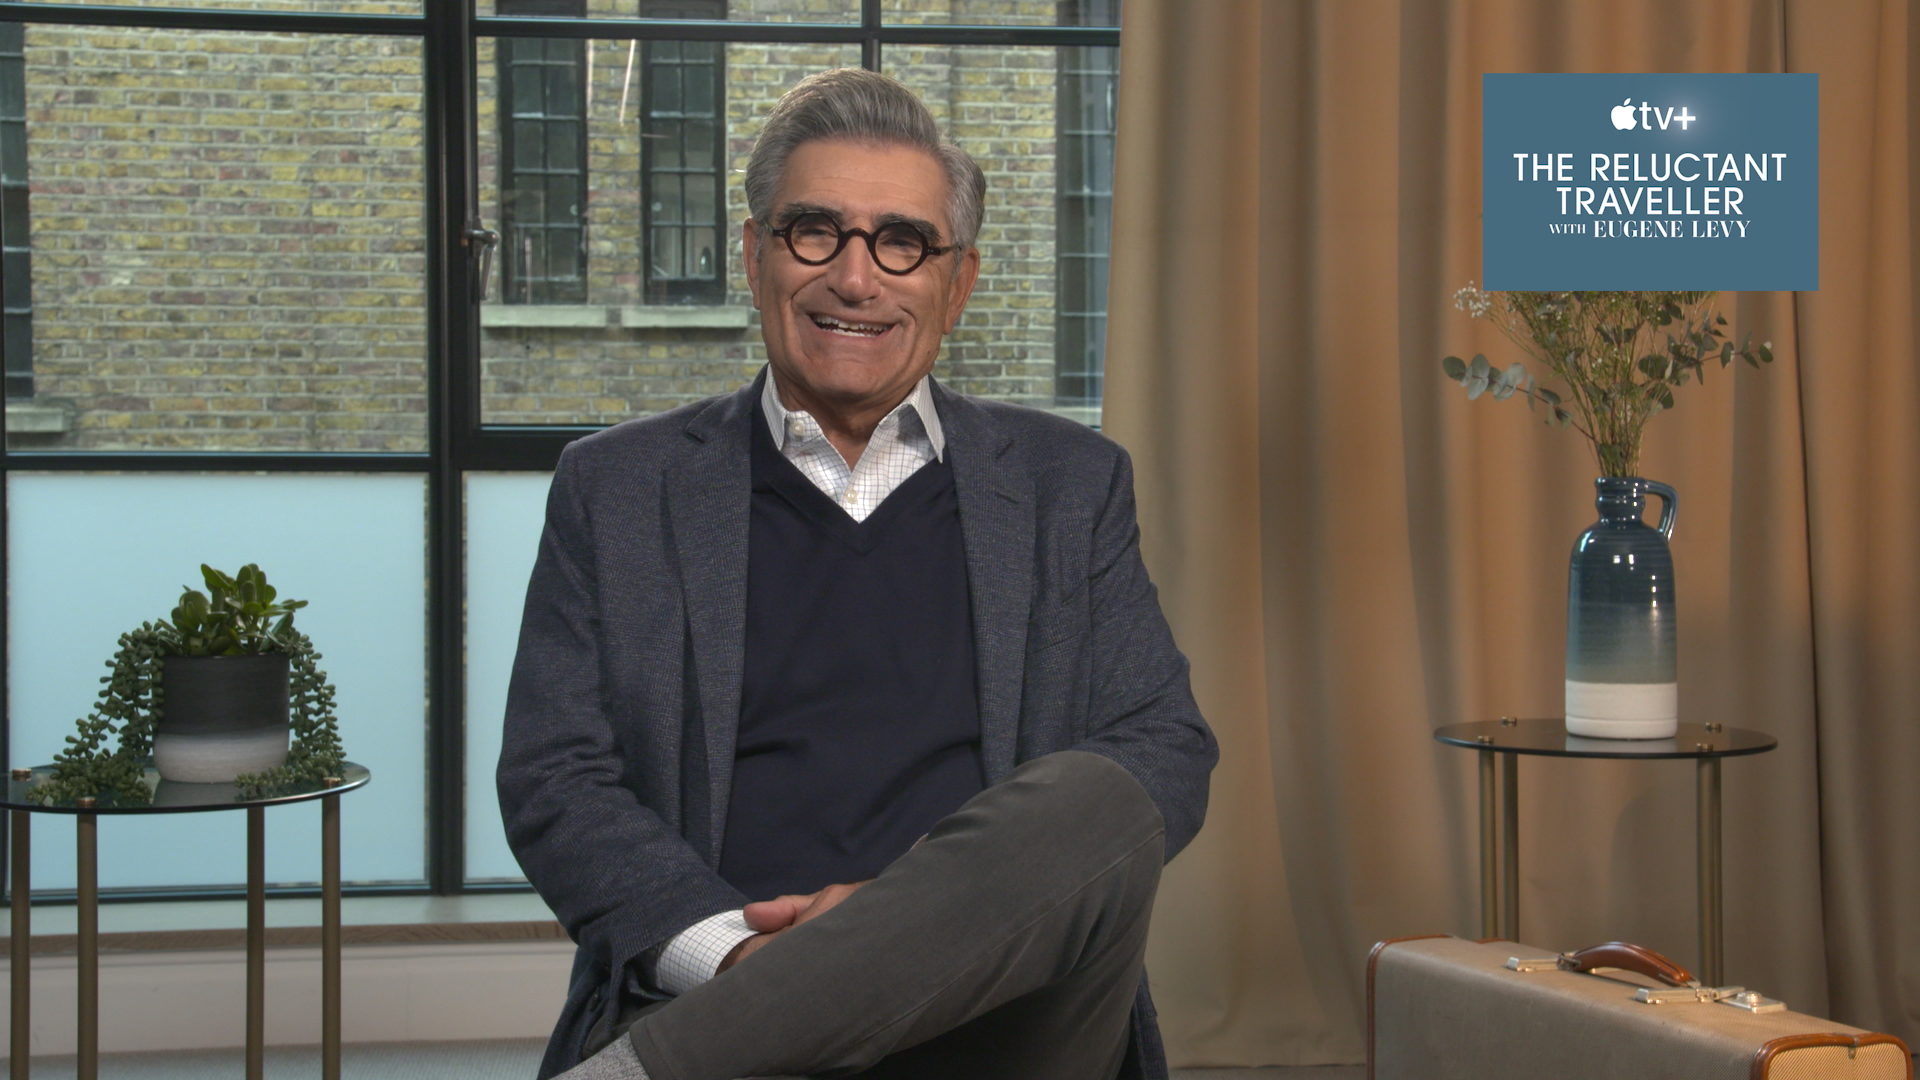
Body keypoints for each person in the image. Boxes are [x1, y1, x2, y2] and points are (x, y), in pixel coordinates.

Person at [498, 67, 1216, 1080]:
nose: (856, 277)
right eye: (814, 231)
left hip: (1003, 1013)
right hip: (721, 998)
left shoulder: (1071, 484)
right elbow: (556, 777)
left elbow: (1165, 748)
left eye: (902, 241)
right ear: (755, 256)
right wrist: (746, 961)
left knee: (1102, 795)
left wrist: (903, 937)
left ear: (957, 284)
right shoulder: (616, 488)